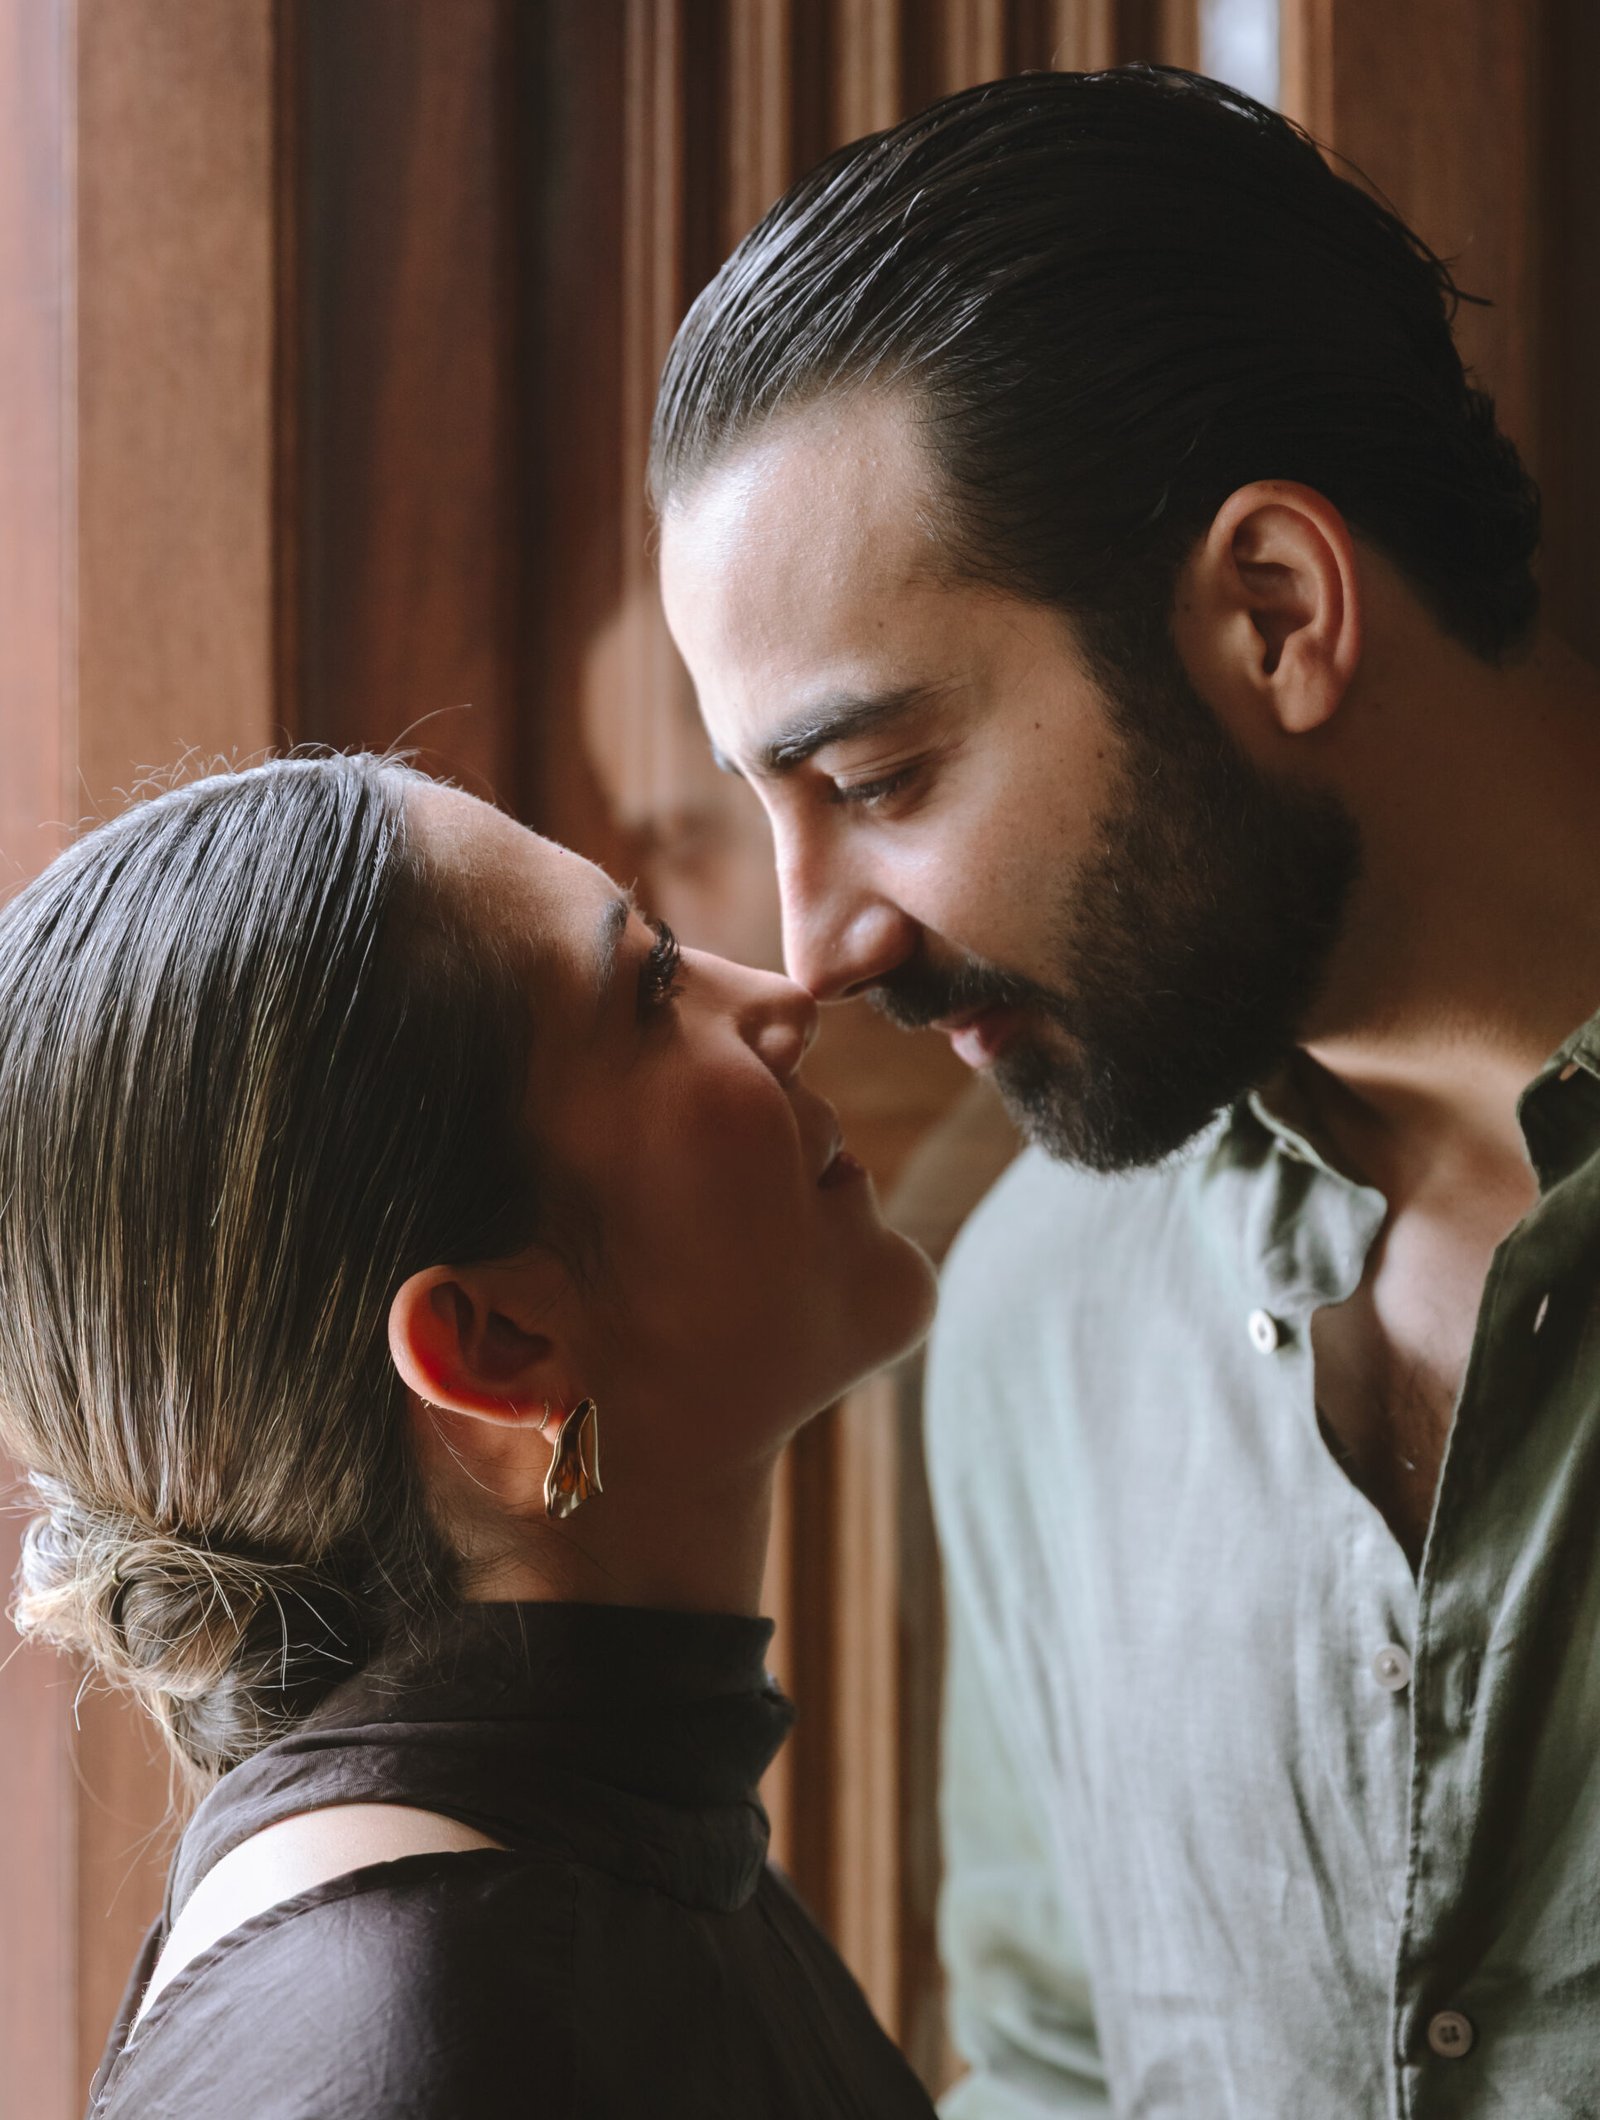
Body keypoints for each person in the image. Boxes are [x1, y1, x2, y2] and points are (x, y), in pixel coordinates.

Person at [648, 63, 1600, 2117]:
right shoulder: (1027, 1313)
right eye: (766, 805)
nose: (819, 947)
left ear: (1274, 614)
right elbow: (1057, 2071)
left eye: (877, 776)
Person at [0, 753, 941, 2119]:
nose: (783, 996)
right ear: (496, 1346)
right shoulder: (423, 2032)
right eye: (651, 993)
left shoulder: (596, 1850)